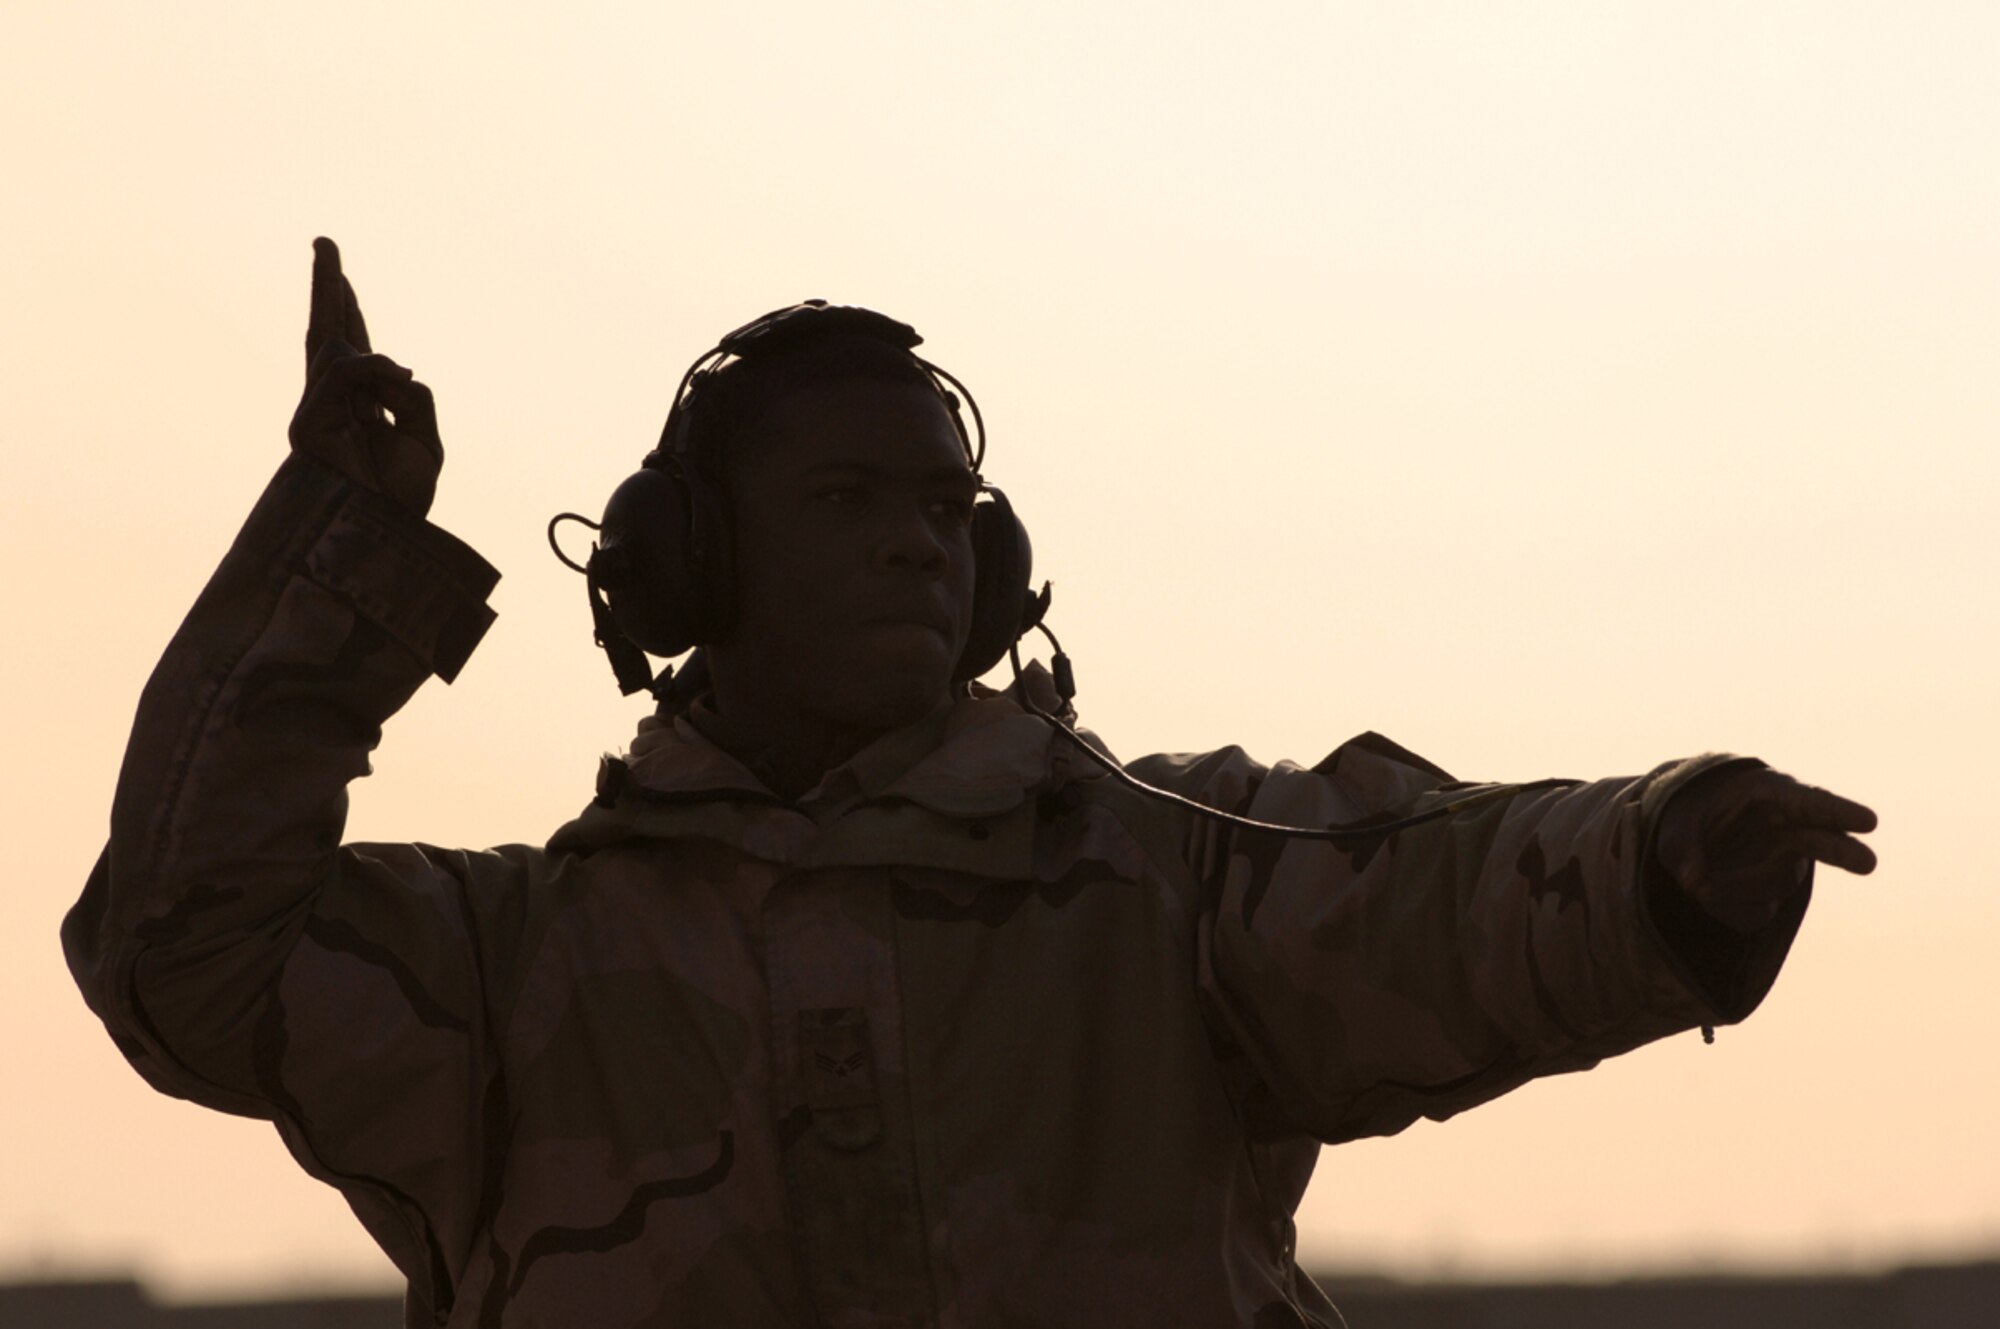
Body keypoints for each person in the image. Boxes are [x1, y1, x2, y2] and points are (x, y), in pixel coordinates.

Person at [64, 239, 1877, 1329]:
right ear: (693, 569)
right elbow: (181, 955)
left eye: (945, 510)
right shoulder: (516, 968)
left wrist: (1665, 850)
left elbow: (1436, 887)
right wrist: (339, 567)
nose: (917, 546)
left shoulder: (1162, 883)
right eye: (849, 503)